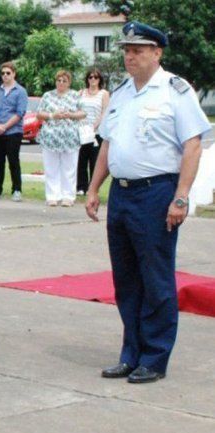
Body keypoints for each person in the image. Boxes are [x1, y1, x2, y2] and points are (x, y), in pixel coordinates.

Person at [86, 22, 211, 384]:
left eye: (138, 50)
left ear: (157, 53)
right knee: (126, 279)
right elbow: (108, 145)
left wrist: (181, 197)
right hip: (122, 194)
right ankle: (132, 354)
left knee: (155, 278)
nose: (129, 56)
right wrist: (94, 189)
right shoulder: (122, 93)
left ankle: (154, 358)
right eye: (126, 50)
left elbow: (192, 145)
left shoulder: (175, 91)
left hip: (157, 194)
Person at [36, 70, 85, 207]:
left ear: (69, 82)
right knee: (51, 168)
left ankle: (68, 196)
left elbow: (83, 112)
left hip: (69, 137)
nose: (61, 83)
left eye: (64, 81)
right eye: (59, 80)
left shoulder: (75, 95)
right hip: (50, 137)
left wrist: (70, 114)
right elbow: (39, 114)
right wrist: (52, 115)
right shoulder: (47, 95)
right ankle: (52, 196)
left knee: (69, 168)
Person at [0, 62, 28, 202]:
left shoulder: (20, 91)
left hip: (13, 131)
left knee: (13, 161)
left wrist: (5, 126)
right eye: (3, 73)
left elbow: (20, 113)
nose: (5, 76)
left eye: (8, 73)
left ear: (14, 73)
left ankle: (16, 190)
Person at [76, 68, 110, 195]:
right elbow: (76, 108)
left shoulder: (103, 93)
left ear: (99, 79)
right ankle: (80, 187)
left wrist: (95, 126)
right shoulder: (81, 93)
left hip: (96, 132)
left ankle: (92, 187)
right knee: (81, 159)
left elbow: (105, 111)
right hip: (82, 130)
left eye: (96, 77)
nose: (93, 80)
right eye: (90, 77)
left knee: (94, 160)